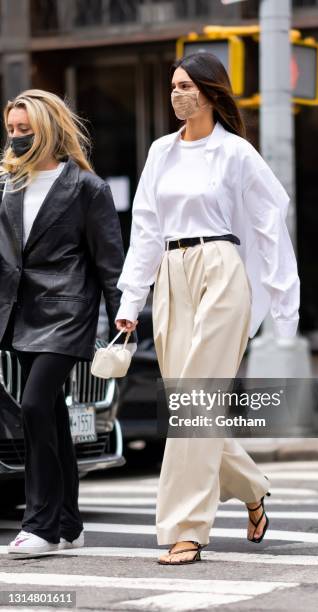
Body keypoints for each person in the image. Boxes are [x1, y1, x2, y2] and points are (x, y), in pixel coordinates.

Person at [115, 52, 300, 565]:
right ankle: (253, 486)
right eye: (173, 85)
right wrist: (132, 299)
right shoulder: (160, 152)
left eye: (187, 86)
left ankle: (186, 529)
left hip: (221, 269)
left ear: (211, 92)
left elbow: (270, 222)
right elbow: (147, 229)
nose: (178, 94)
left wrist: (286, 303)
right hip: (171, 278)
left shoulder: (236, 153)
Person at [0, 89, 129, 554]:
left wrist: (123, 320)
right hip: (19, 313)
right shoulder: (8, 185)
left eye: (24, 129)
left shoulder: (87, 188)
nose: (16, 138)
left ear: (48, 129)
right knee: (51, 414)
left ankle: (40, 526)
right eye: (11, 130)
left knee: (34, 407)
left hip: (67, 311)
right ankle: (70, 523)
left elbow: (110, 262)